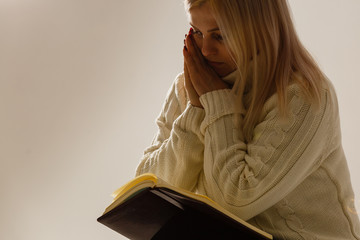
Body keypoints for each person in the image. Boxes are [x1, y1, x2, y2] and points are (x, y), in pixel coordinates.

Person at [136, 0, 360, 238]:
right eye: (198, 33)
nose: (205, 51)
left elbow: (233, 201)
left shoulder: (303, 95)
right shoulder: (189, 86)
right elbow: (146, 190)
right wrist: (196, 108)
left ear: (260, 31)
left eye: (220, 36)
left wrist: (217, 101)